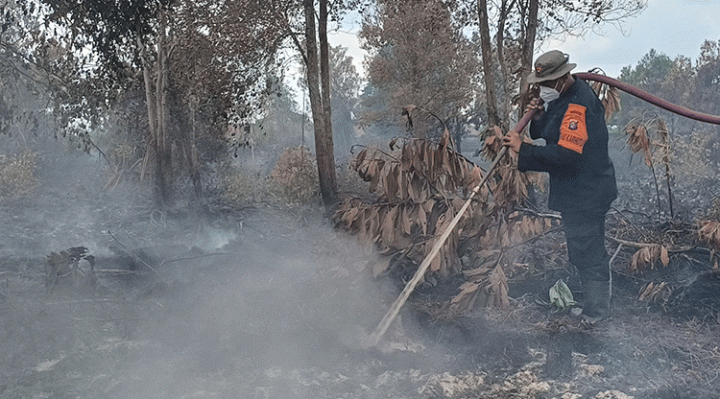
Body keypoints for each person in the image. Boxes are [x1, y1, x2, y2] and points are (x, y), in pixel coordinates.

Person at [502, 50, 617, 320]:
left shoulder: (579, 105)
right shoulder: (565, 98)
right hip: (579, 190)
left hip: (588, 192)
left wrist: (524, 150)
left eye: (545, 84)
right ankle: (592, 307)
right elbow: (550, 134)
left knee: (589, 251)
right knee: (581, 248)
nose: (541, 89)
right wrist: (540, 116)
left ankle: (597, 313)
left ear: (561, 79)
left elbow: (566, 155)